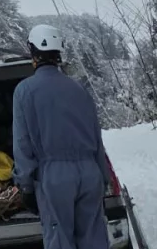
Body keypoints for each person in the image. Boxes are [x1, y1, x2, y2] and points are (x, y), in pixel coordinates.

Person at [12, 24, 110, 249]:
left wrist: (25, 185)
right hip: (90, 173)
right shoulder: (79, 89)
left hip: (54, 177)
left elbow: (22, 142)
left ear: (33, 52)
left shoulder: (24, 91)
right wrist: (102, 177)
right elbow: (96, 138)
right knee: (94, 239)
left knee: (60, 240)